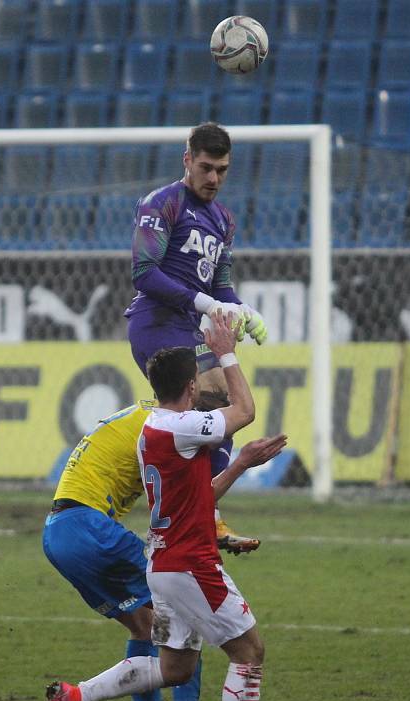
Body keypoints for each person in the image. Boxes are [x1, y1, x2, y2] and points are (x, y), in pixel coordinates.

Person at [33, 311, 287, 701]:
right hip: (147, 547)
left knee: (160, 648)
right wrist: (226, 350)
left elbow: (189, 499)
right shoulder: (179, 426)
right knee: (249, 651)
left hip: (77, 533)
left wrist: (238, 469)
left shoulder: (152, 430)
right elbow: (244, 411)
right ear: (191, 388)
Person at [34, 399, 219, 701]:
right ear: (189, 389)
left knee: (144, 626)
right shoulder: (164, 426)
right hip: (89, 528)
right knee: (186, 601)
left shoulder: (140, 417)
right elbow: (183, 504)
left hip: (58, 534)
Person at [124, 121, 267, 541]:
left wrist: (242, 308)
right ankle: (201, 517)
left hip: (187, 328)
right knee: (210, 395)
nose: (214, 178)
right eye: (206, 167)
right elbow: (144, 273)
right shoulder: (162, 204)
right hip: (154, 323)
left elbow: (220, 283)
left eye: (222, 169)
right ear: (187, 160)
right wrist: (207, 304)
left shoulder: (223, 220)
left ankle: (203, 512)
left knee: (220, 403)